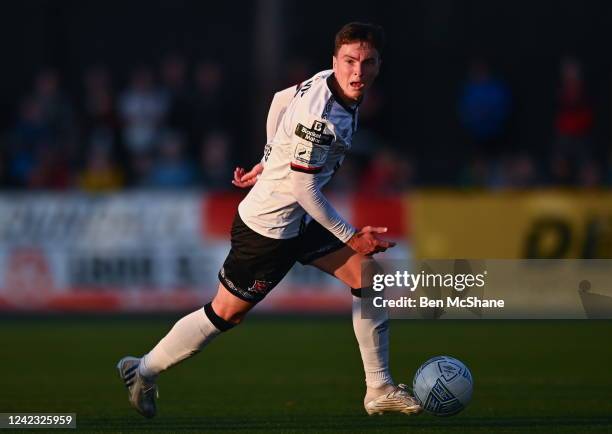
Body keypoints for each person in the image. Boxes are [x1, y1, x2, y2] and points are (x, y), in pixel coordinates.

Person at [117, 22, 422, 419]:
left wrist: (267, 158)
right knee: (225, 314)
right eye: (349, 61)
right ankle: (141, 370)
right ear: (335, 60)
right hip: (269, 228)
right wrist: (352, 235)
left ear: (379, 65)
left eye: (366, 63)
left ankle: (378, 389)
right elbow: (303, 191)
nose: (357, 72)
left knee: (367, 277)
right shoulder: (323, 118)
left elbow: (280, 99)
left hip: (297, 218)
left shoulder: (329, 81)